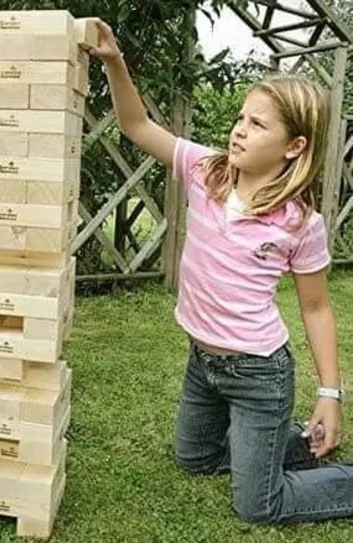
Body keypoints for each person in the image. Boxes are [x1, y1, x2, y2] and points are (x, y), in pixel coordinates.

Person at [90, 19, 353, 523]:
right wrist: (114, 62)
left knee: (258, 506)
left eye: (258, 125)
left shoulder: (300, 221)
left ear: (293, 147)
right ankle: (289, 440)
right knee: (195, 459)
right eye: (241, 118)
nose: (239, 129)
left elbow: (317, 308)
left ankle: (301, 456)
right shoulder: (204, 170)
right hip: (202, 364)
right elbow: (136, 126)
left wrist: (330, 395)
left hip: (258, 372)